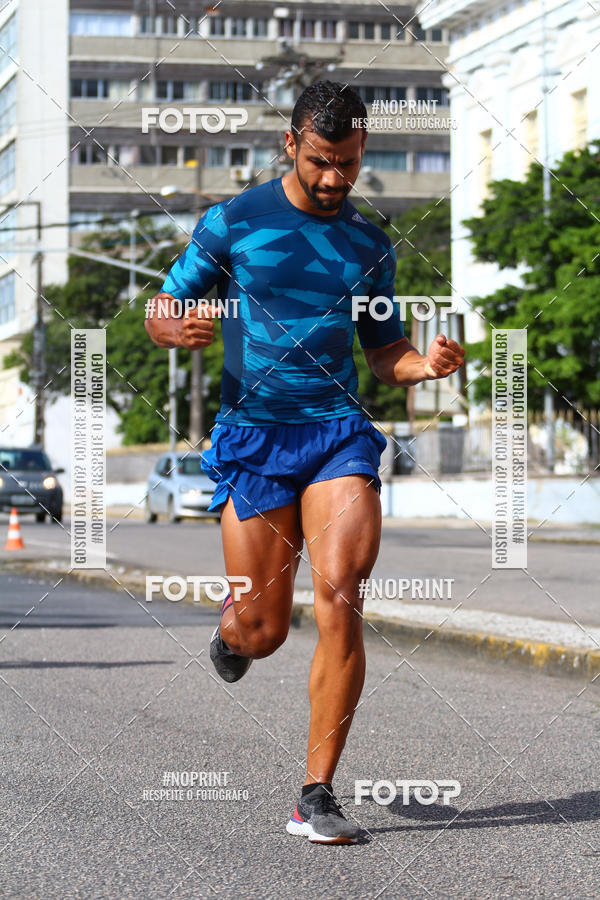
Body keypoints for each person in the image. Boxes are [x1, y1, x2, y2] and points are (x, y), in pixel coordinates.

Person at [145, 81, 465, 844]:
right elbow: (163, 304)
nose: (333, 180)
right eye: (322, 161)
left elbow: (384, 353)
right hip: (254, 436)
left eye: (348, 165)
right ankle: (234, 637)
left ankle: (316, 794)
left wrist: (425, 366)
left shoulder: (368, 243)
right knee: (264, 628)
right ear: (291, 144)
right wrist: (173, 329)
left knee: (342, 594)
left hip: (335, 433)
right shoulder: (233, 222)